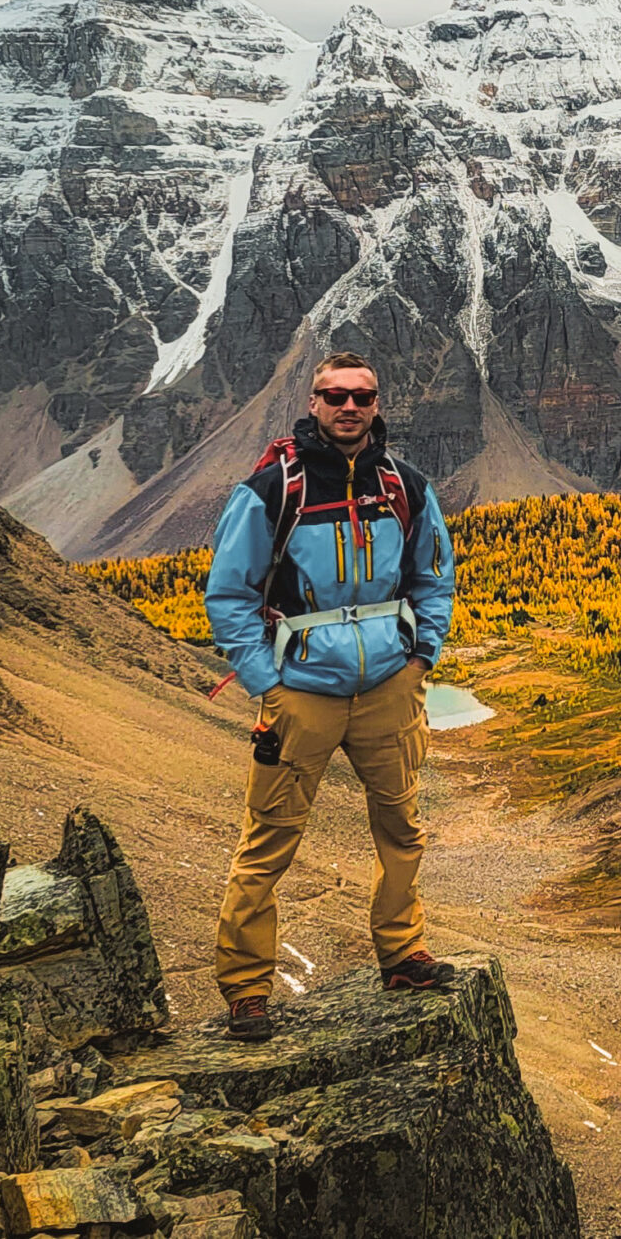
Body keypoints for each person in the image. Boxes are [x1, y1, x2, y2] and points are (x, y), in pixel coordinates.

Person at [202, 351, 459, 1041]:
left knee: (402, 826)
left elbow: (433, 576)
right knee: (270, 840)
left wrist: (420, 657)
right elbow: (228, 594)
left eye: (362, 396)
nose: (349, 407)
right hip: (302, 693)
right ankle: (247, 988)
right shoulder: (271, 489)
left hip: (388, 687)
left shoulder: (405, 484)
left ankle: (403, 952)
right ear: (312, 401)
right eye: (334, 395)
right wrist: (267, 681)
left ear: (378, 404)